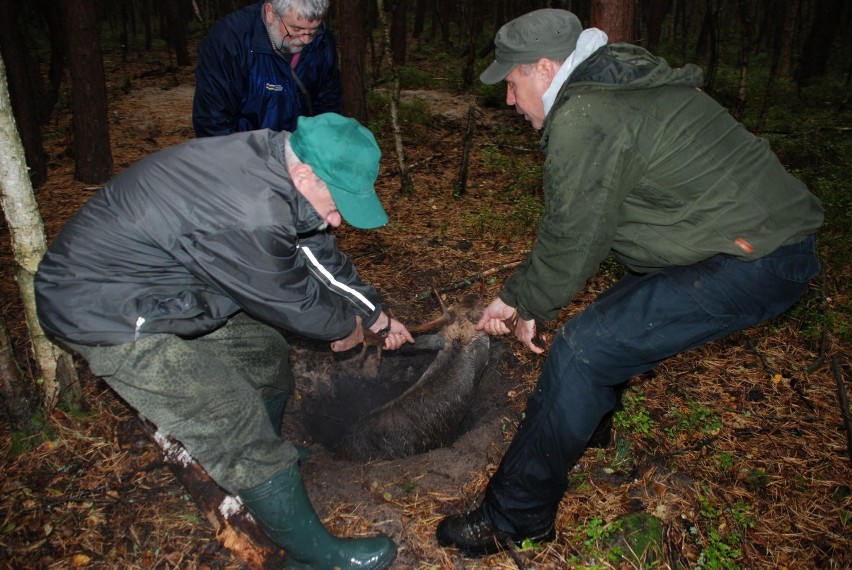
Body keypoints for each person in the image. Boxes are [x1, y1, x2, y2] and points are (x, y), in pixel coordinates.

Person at [435, 9, 824, 557]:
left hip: (755, 255)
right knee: (608, 331)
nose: (508, 99)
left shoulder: (588, 115)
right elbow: (592, 227)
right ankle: (586, 422)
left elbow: (572, 234)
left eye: (513, 82)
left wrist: (519, 298)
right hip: (732, 239)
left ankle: (516, 516)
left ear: (545, 68)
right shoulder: (607, 82)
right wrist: (531, 299)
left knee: (583, 350)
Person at [35, 113, 412, 570]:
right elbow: (290, 297)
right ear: (305, 174)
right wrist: (342, 327)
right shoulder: (249, 209)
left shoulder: (280, 164)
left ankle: (263, 469)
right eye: (336, 204)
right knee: (229, 416)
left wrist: (373, 313)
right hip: (107, 309)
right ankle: (313, 555)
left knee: (264, 353)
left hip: (171, 285)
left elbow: (314, 249)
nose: (336, 219)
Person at [192, 0, 341, 137]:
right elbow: (213, 123)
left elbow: (328, 105)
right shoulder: (228, 42)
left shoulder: (323, 41)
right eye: (296, 29)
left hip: (299, 153)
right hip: (246, 155)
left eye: (313, 31)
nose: (306, 40)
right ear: (271, 13)